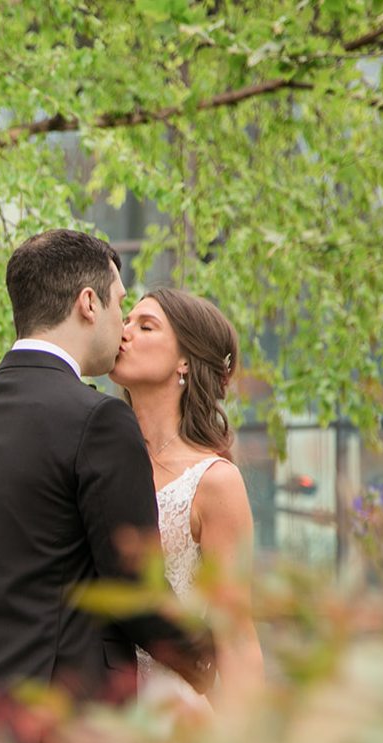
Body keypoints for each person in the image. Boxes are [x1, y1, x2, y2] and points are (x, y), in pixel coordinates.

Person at [0, 230, 215, 743]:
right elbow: (133, 592)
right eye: (121, 304)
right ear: (88, 303)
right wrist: (208, 662)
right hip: (55, 739)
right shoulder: (98, 421)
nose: (122, 326)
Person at [109, 289, 263, 708]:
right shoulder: (96, 462)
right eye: (125, 321)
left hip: (172, 715)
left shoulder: (214, 482)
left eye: (145, 326)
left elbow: (234, 633)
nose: (124, 333)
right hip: (98, 713)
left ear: (185, 361)